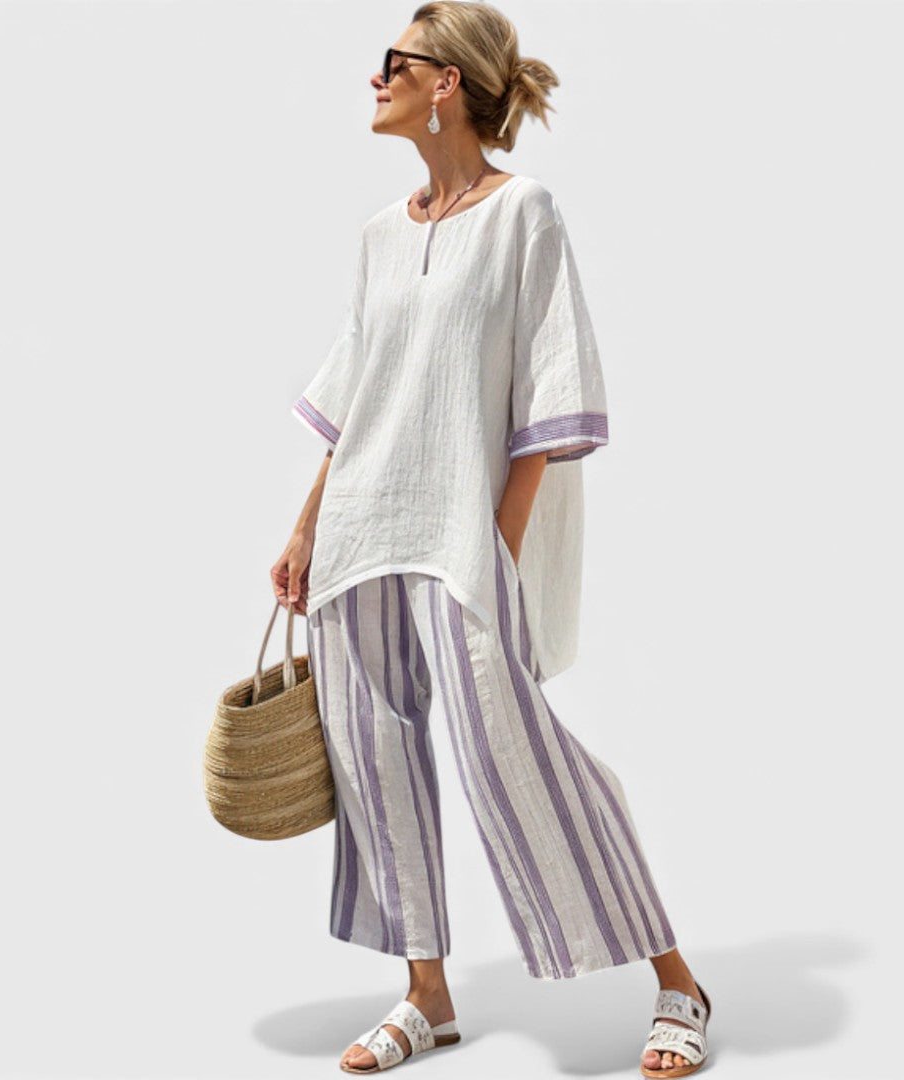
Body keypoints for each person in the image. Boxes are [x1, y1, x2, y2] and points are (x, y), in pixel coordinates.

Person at [271, 4, 712, 1075]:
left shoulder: (525, 215)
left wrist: (499, 550)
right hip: (360, 531)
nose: (375, 77)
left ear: (447, 84)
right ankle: (426, 996)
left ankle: (677, 980)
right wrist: (304, 527)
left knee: (516, 755)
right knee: (374, 762)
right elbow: (359, 397)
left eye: (395, 62)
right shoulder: (381, 236)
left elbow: (549, 402)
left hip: (460, 537)